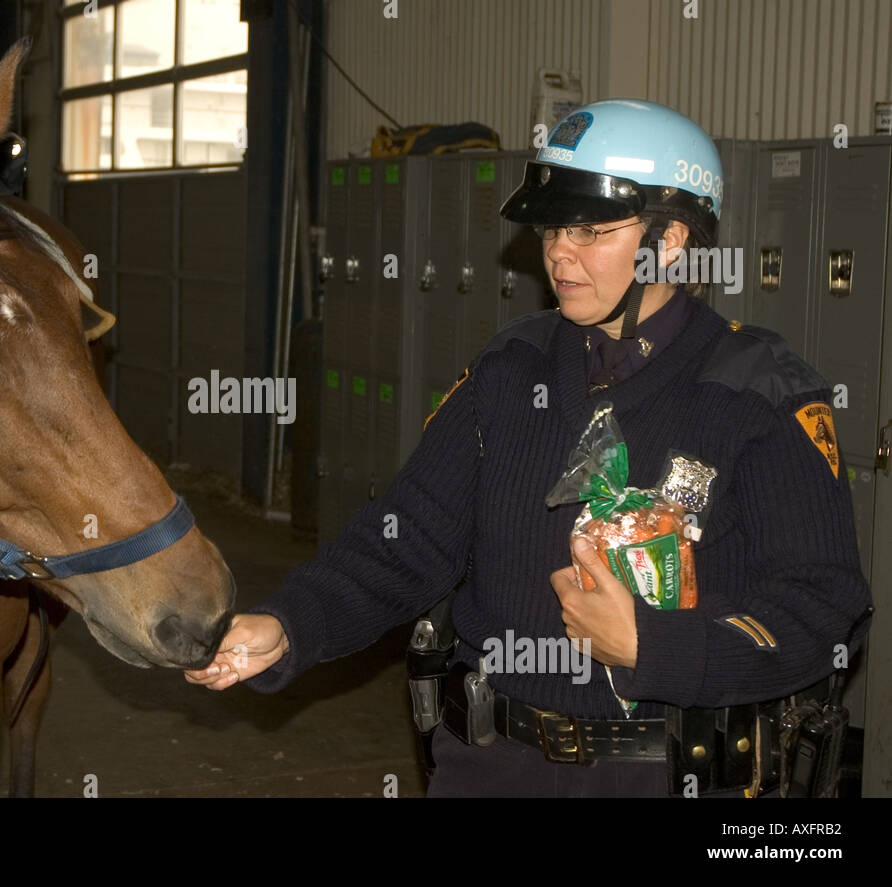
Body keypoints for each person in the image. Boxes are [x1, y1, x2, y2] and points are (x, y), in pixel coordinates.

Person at [185, 99, 874, 797]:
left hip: (664, 776)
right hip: (491, 763)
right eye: (551, 228)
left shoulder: (760, 393)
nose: (557, 253)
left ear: (669, 240)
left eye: (588, 229)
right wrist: (291, 622)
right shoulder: (509, 370)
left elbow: (822, 605)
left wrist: (655, 649)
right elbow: (406, 539)